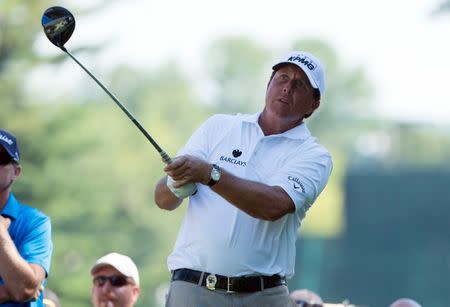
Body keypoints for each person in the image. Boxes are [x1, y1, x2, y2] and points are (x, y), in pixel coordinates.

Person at [154, 50, 333, 306]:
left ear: (314, 104)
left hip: (261, 295)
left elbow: (274, 206)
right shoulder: (218, 127)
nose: (287, 88)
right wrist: (178, 184)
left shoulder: (314, 155)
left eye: (299, 84)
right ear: (268, 85)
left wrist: (210, 174)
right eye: (282, 78)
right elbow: (163, 200)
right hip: (192, 289)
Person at [0, 129, 53, 306]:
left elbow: (24, 289)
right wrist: (7, 291)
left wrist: (1, 235)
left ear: (16, 171)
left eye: (1, 158)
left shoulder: (35, 222)